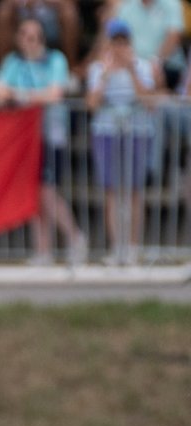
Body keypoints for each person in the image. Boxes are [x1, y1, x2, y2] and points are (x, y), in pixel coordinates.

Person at [0, 15, 83, 262]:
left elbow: (54, 95)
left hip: (51, 134)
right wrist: (32, 96)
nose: (29, 41)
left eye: (34, 36)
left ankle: (75, 236)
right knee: (35, 191)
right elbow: (1, 92)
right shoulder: (14, 62)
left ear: (43, 38)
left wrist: (20, 95)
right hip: (24, 138)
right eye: (24, 35)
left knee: (48, 190)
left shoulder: (55, 60)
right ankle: (42, 249)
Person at [88, 18, 162, 264]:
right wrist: (107, 75)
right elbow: (91, 104)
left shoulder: (142, 66)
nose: (119, 46)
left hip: (137, 131)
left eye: (123, 41)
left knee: (133, 192)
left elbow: (150, 103)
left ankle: (131, 247)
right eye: (115, 41)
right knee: (111, 191)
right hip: (107, 131)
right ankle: (116, 247)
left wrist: (131, 71)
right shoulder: (98, 68)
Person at [0, 0, 78, 61]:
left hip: (52, 15)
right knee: (3, 11)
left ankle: (69, 68)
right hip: (21, 14)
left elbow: (70, 2)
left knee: (69, 13)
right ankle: (6, 68)